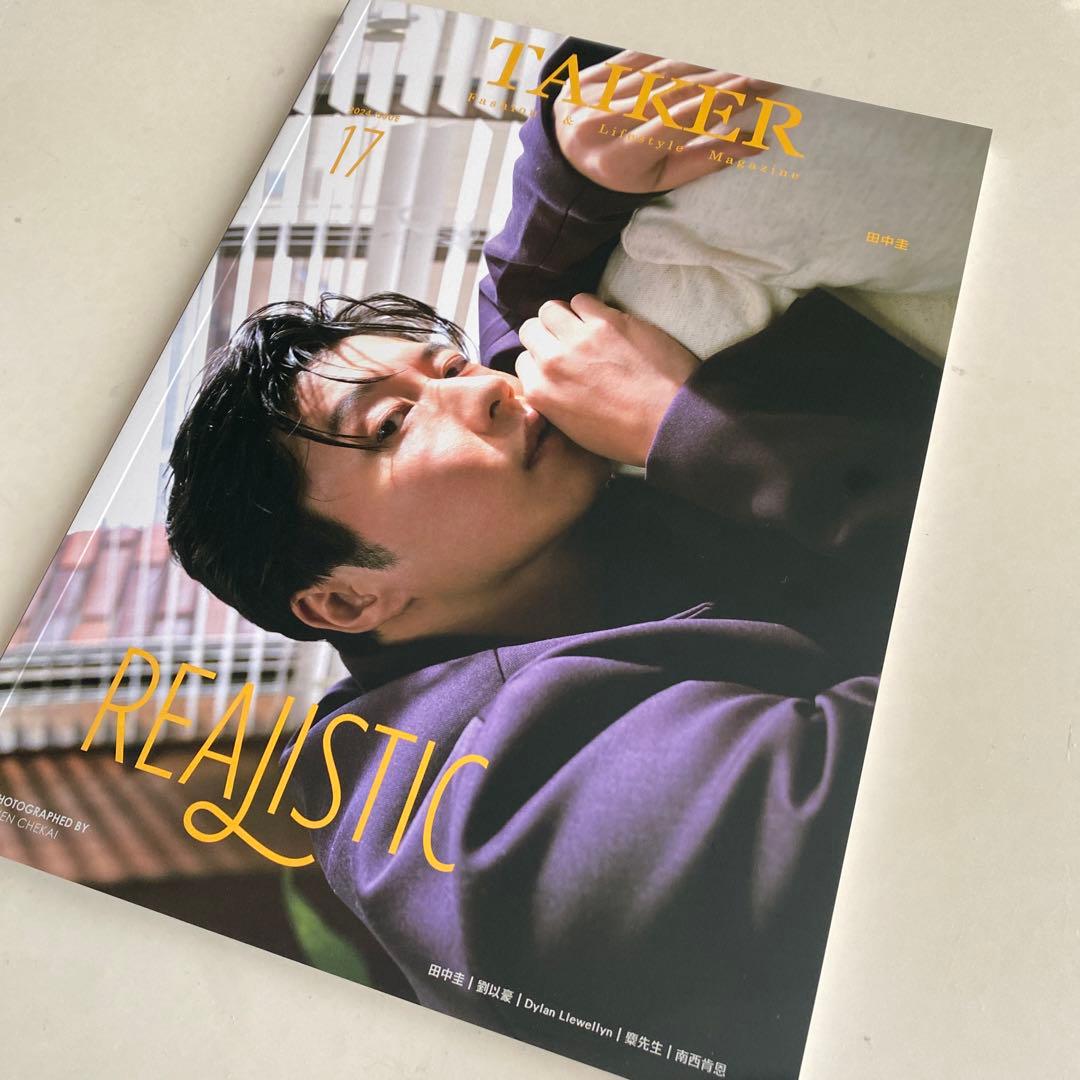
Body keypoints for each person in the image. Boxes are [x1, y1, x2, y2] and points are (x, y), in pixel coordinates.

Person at [166, 38, 941, 1080]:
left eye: (444, 366)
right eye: (392, 425)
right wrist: (707, 438)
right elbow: (953, 779)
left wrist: (572, 175)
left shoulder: (524, 564)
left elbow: (524, 333)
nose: (487, 390)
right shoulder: (462, 815)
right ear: (346, 599)